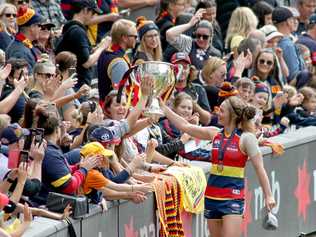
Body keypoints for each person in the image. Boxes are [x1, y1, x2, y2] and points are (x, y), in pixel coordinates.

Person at [159, 95, 276, 237]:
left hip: (232, 198)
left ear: (232, 115)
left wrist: (269, 195)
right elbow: (185, 126)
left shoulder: (247, 138)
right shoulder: (215, 133)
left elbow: (260, 169)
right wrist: (164, 108)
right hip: (211, 197)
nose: (218, 114)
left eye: (222, 111)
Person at [55, 0, 107, 89]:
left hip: (72, 84)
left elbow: (80, 55)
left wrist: (95, 49)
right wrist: (102, 47)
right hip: (77, 86)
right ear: (85, 10)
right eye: (93, 12)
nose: (94, 16)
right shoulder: (77, 31)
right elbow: (86, 62)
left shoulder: (71, 28)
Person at [97, 19, 137, 104]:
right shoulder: (119, 62)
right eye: (135, 36)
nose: (136, 40)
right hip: (113, 111)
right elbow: (120, 97)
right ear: (124, 38)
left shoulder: (106, 52)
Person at [6, 6, 44, 72]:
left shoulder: (24, 44)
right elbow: (24, 79)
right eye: (39, 25)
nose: (41, 28)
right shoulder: (20, 52)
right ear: (32, 27)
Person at [272, 7, 305, 82]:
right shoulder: (287, 44)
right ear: (288, 21)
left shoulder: (274, 40)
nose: (295, 22)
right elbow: (293, 75)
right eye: (293, 19)